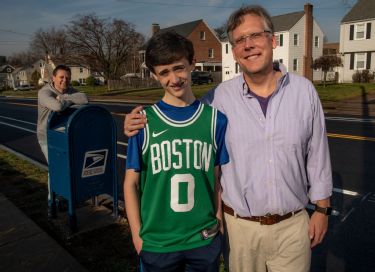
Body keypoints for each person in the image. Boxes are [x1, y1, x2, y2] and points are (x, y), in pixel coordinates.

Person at [124, 5, 333, 272]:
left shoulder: (303, 91)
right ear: (233, 52)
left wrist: (322, 209)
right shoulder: (218, 98)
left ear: (273, 39)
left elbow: (317, 155)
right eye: (239, 41)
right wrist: (138, 123)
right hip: (240, 229)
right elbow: (182, 112)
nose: (249, 46)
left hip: (293, 226)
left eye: (255, 35)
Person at [123, 31, 229, 272]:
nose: (174, 78)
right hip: (158, 244)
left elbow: (216, 178)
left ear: (192, 64)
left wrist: (219, 223)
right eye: (164, 72)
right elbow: (131, 184)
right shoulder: (142, 123)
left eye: (178, 68)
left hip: (203, 239)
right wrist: (137, 237)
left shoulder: (216, 121)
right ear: (154, 75)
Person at [37, 64, 88, 216]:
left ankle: (65, 198)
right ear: (53, 78)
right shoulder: (44, 92)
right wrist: (67, 101)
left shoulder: (70, 91)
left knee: (70, 168)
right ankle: (51, 202)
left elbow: (85, 98)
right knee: (56, 169)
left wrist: (65, 98)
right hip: (47, 137)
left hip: (65, 136)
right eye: (61, 77)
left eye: (67, 77)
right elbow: (57, 106)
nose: (64, 81)